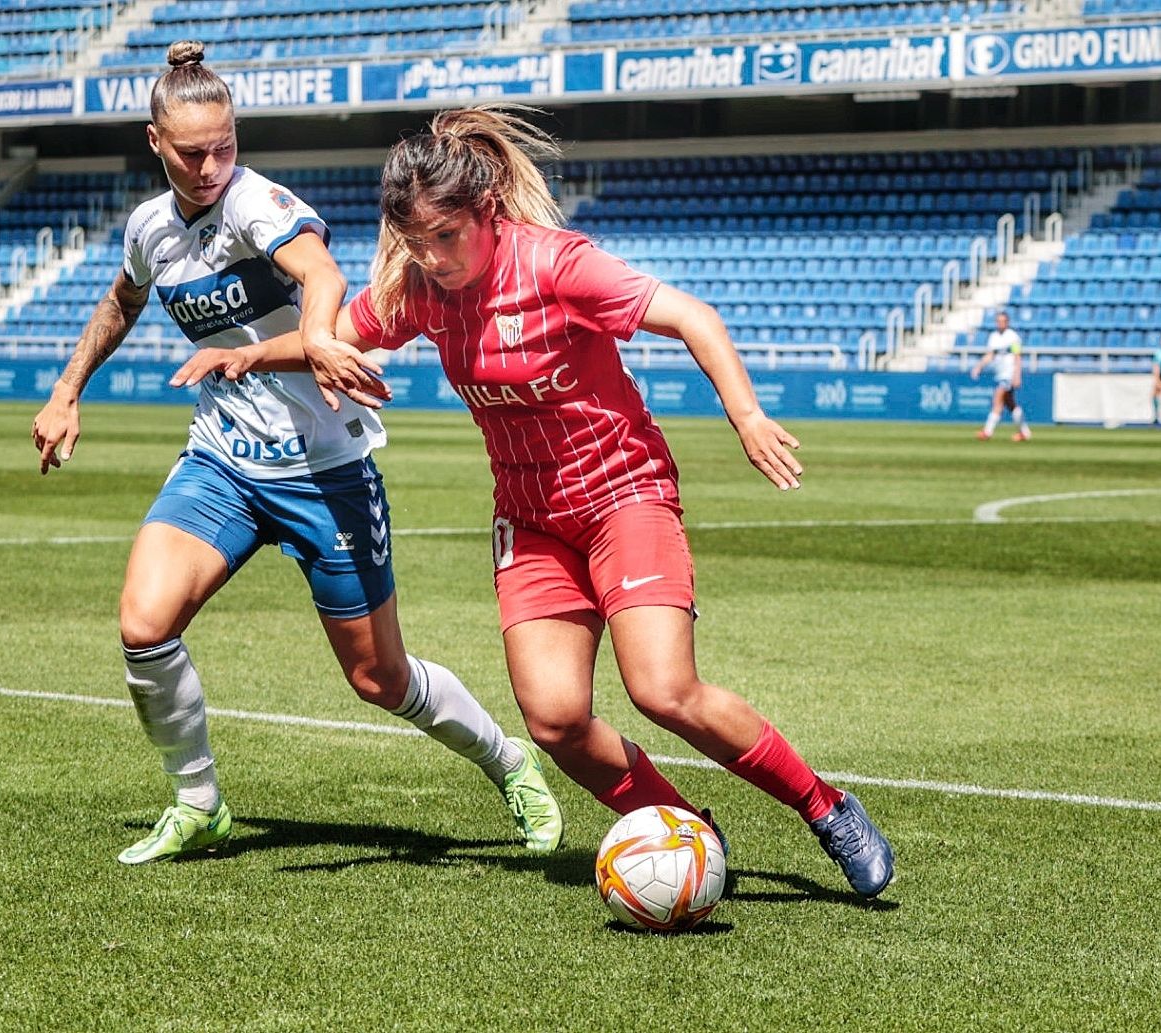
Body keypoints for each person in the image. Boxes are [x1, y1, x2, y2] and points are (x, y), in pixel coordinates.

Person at [225, 106, 895, 898]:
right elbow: (336, 332)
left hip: (625, 495)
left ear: (488, 211)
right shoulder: (422, 291)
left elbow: (692, 316)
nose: (434, 259)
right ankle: (684, 833)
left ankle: (826, 807)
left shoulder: (556, 264)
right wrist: (250, 354)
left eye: (447, 238)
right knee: (554, 720)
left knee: (662, 689)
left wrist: (746, 416)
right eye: (417, 243)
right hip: (531, 519)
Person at [30, 48, 562, 865]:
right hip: (223, 464)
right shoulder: (148, 229)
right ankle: (199, 801)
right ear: (154, 142)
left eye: (225, 145)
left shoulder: (257, 202)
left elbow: (319, 268)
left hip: (325, 472)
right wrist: (68, 390)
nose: (212, 166)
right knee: (144, 624)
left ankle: (509, 762)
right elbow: (121, 299)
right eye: (191, 152)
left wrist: (316, 335)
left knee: (379, 680)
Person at [970, 310, 1031, 441]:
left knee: (997, 399)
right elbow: (990, 355)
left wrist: (1017, 375)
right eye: (998, 321)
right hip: (1000, 373)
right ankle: (1024, 432)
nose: (1000, 323)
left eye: (1003, 321)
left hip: (1009, 374)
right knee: (1010, 404)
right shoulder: (994, 337)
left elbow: (1017, 356)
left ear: (1007, 322)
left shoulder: (1013, 337)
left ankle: (987, 431)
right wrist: (979, 366)